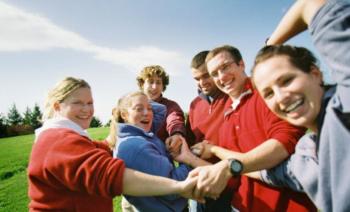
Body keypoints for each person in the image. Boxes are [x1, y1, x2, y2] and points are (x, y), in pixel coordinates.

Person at [27, 77, 198, 212]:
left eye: (90, 103)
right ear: (57, 106)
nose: (87, 110)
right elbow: (111, 176)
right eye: (78, 103)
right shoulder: (57, 141)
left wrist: (122, 122)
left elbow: (100, 148)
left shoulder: (69, 137)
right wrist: (179, 185)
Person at [249, 0, 350, 211]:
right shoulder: (306, 156)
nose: (281, 97)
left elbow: (311, 4)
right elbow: (271, 174)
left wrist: (269, 48)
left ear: (315, 74)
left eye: (286, 80)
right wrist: (229, 166)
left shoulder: (344, 105)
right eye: (267, 93)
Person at [190, 45, 316, 211]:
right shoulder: (227, 109)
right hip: (241, 205)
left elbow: (283, 144)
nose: (222, 76)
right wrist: (211, 153)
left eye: (225, 67)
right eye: (215, 73)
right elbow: (235, 164)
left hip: (287, 206)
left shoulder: (266, 93)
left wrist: (224, 161)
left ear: (241, 64)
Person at [108, 91, 210, 212]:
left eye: (149, 108)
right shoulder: (137, 146)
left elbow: (161, 111)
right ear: (124, 114)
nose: (147, 113)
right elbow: (172, 187)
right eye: (139, 109)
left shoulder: (138, 135)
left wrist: (142, 101)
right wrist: (191, 156)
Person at [186, 51, 231, 212]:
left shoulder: (232, 97)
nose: (202, 82)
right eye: (197, 79)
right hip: (201, 180)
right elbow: (190, 141)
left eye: (206, 76)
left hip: (230, 182)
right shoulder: (194, 105)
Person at [136, 65, 186, 153]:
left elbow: (175, 120)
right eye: (150, 82)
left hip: (160, 158)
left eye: (158, 82)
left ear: (163, 86)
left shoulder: (171, 106)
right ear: (142, 84)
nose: (154, 87)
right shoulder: (131, 105)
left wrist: (176, 134)